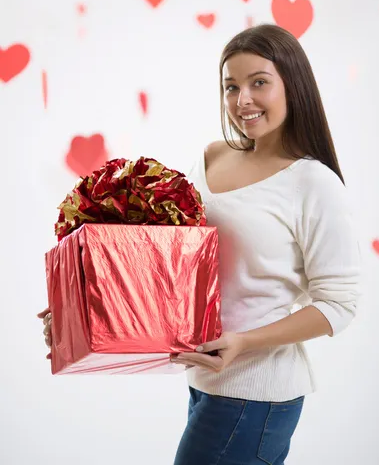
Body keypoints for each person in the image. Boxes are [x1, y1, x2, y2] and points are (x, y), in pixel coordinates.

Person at [38, 24, 362, 465]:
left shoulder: (314, 183)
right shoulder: (213, 156)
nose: (242, 100)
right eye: (232, 87)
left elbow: (339, 304)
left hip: (257, 392)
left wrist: (243, 343)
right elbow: (168, 258)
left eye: (259, 83)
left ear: (294, 85)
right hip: (205, 381)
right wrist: (82, 308)